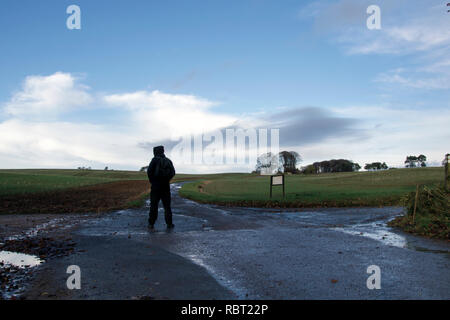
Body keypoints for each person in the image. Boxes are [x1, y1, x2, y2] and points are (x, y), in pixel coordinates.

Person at [146, 145, 176, 229]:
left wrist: (153, 181)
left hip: (155, 186)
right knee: (167, 206)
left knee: (153, 205)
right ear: (163, 151)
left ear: (155, 152)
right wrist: (167, 180)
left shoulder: (154, 160)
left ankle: (151, 224)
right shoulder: (168, 161)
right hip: (166, 186)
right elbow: (173, 173)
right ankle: (169, 224)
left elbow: (149, 172)